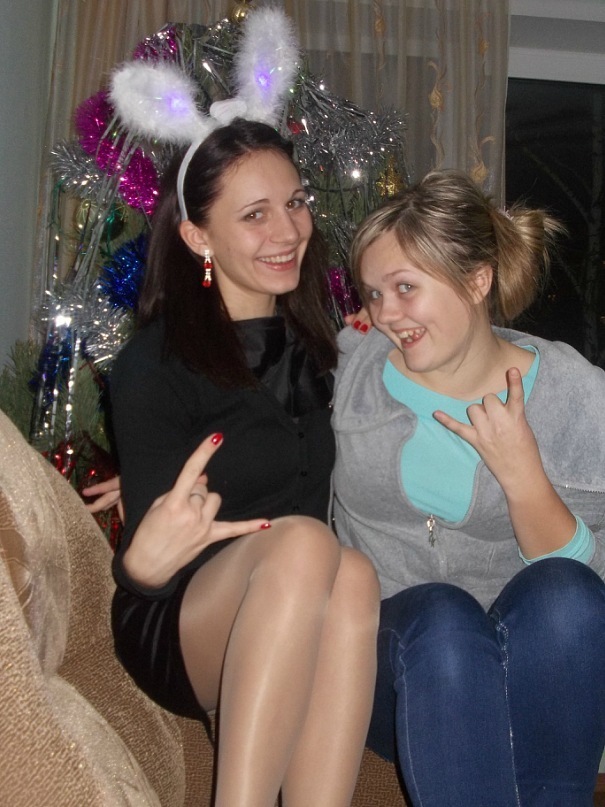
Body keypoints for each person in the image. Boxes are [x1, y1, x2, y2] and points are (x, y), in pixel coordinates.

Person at [106, 118, 380, 807]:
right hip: (180, 617)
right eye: (254, 214)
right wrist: (141, 562)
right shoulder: (154, 364)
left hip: (302, 594)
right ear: (197, 237)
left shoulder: (324, 346)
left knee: (352, 572)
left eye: (295, 202)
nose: (288, 231)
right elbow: (149, 565)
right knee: (304, 542)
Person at [331, 169, 605, 806]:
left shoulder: (576, 399)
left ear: (477, 281)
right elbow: (261, 425)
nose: (386, 314)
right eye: (374, 293)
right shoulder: (352, 366)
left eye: (405, 287)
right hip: (391, 663)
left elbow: (588, 585)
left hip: (533, 670)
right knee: (443, 617)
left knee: (567, 595)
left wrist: (522, 473)